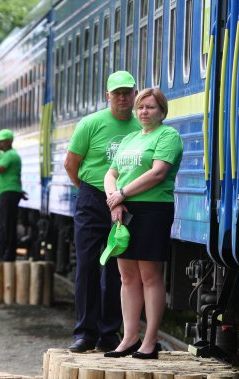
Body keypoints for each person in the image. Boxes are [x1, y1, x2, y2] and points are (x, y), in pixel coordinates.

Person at [63, 71, 142, 353]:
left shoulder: (141, 126)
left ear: (135, 94)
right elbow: (71, 163)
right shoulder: (91, 124)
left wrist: (119, 196)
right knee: (87, 265)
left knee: (117, 270)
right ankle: (85, 332)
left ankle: (110, 332)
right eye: (116, 93)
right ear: (107, 95)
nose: (122, 97)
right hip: (93, 198)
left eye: (127, 92)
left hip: (127, 201)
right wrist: (91, 192)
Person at [103, 88, 183, 359]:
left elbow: (158, 172)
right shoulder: (129, 138)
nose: (144, 112)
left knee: (150, 277)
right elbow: (111, 173)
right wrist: (114, 199)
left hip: (153, 209)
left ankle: (150, 342)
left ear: (162, 110)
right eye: (141, 108)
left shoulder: (168, 136)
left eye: (150, 107)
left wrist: (121, 194)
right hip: (124, 210)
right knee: (127, 277)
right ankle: (129, 338)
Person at [0, 128, 23, 262]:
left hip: (8, 192)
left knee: (6, 224)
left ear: (9, 141)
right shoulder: (11, 154)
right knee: (7, 223)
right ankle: (6, 253)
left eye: (1, 142)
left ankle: (3, 254)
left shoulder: (10, 155)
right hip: (9, 192)